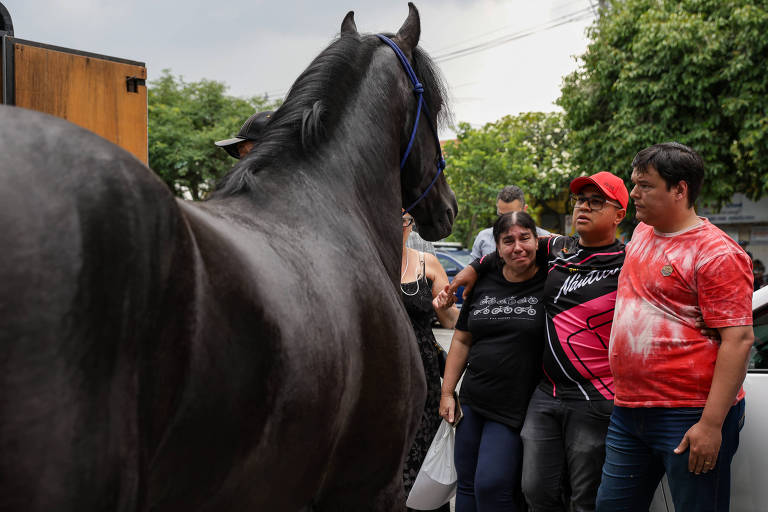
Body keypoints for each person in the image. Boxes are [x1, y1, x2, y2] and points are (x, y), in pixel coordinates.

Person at [447, 171, 629, 512]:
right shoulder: (559, 248)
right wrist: (473, 268)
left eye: (596, 202)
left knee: (584, 496)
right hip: (545, 395)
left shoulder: (630, 262)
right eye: (579, 201)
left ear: (619, 214)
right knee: (535, 491)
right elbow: (509, 248)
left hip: (595, 397)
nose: (583, 208)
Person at [596, 142, 755, 512]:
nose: (633, 193)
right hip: (629, 411)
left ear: (679, 190)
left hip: (688, 415)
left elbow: (739, 339)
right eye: (634, 183)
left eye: (645, 185)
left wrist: (711, 425)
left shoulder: (717, 253)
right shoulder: (641, 233)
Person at [439, 211, 547, 512]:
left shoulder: (550, 278)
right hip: (473, 400)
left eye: (525, 238)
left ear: (537, 241)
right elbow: (462, 339)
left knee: (492, 486)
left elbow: (570, 245)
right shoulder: (484, 281)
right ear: (497, 247)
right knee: (468, 486)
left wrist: (475, 264)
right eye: (508, 240)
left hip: (515, 405)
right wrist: (447, 392)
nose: (517, 247)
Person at [400, 211, 459, 512]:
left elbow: (451, 323)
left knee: (422, 460)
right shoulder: (365, 262)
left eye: (404, 221)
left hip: (424, 376)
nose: (399, 228)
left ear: (412, 224)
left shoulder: (428, 263)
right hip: (381, 376)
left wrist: (446, 306)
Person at [471, 185, 550, 259]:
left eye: (512, 216)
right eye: (501, 215)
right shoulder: (484, 238)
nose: (506, 222)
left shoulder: (546, 238)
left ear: (525, 210)